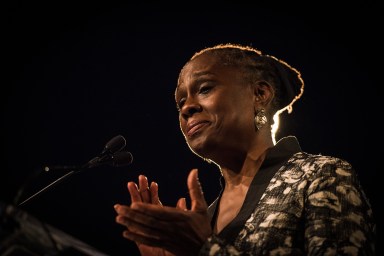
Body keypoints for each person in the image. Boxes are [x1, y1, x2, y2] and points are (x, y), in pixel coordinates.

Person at [114, 43, 376, 255]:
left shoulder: (320, 176)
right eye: (180, 102)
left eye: (204, 89)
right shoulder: (205, 217)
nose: (186, 108)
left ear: (260, 94)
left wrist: (205, 249)